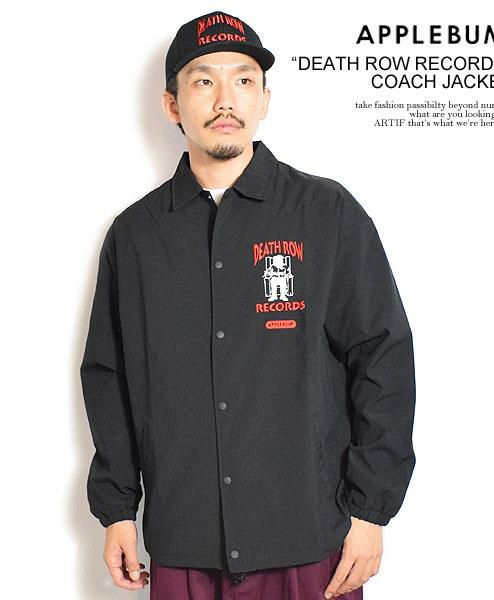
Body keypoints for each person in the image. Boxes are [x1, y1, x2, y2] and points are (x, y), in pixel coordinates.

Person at [80, 9, 416, 600]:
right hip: (183, 543)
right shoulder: (134, 237)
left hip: (310, 544)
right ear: (172, 104)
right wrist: (117, 510)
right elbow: (110, 380)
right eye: (203, 81)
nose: (225, 99)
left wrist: (371, 511)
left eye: (243, 79)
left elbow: (382, 358)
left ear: (265, 99)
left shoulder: (326, 214)